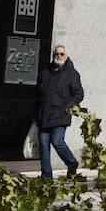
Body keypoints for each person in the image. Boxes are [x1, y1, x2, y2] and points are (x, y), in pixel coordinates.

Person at [36, 45, 84, 180]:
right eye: (56, 54)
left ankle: (72, 163)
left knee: (57, 141)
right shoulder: (45, 72)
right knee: (44, 144)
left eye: (61, 54)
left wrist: (66, 106)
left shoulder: (72, 74)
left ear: (66, 56)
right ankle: (46, 175)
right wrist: (35, 114)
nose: (58, 56)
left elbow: (78, 94)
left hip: (60, 115)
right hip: (44, 115)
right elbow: (37, 95)